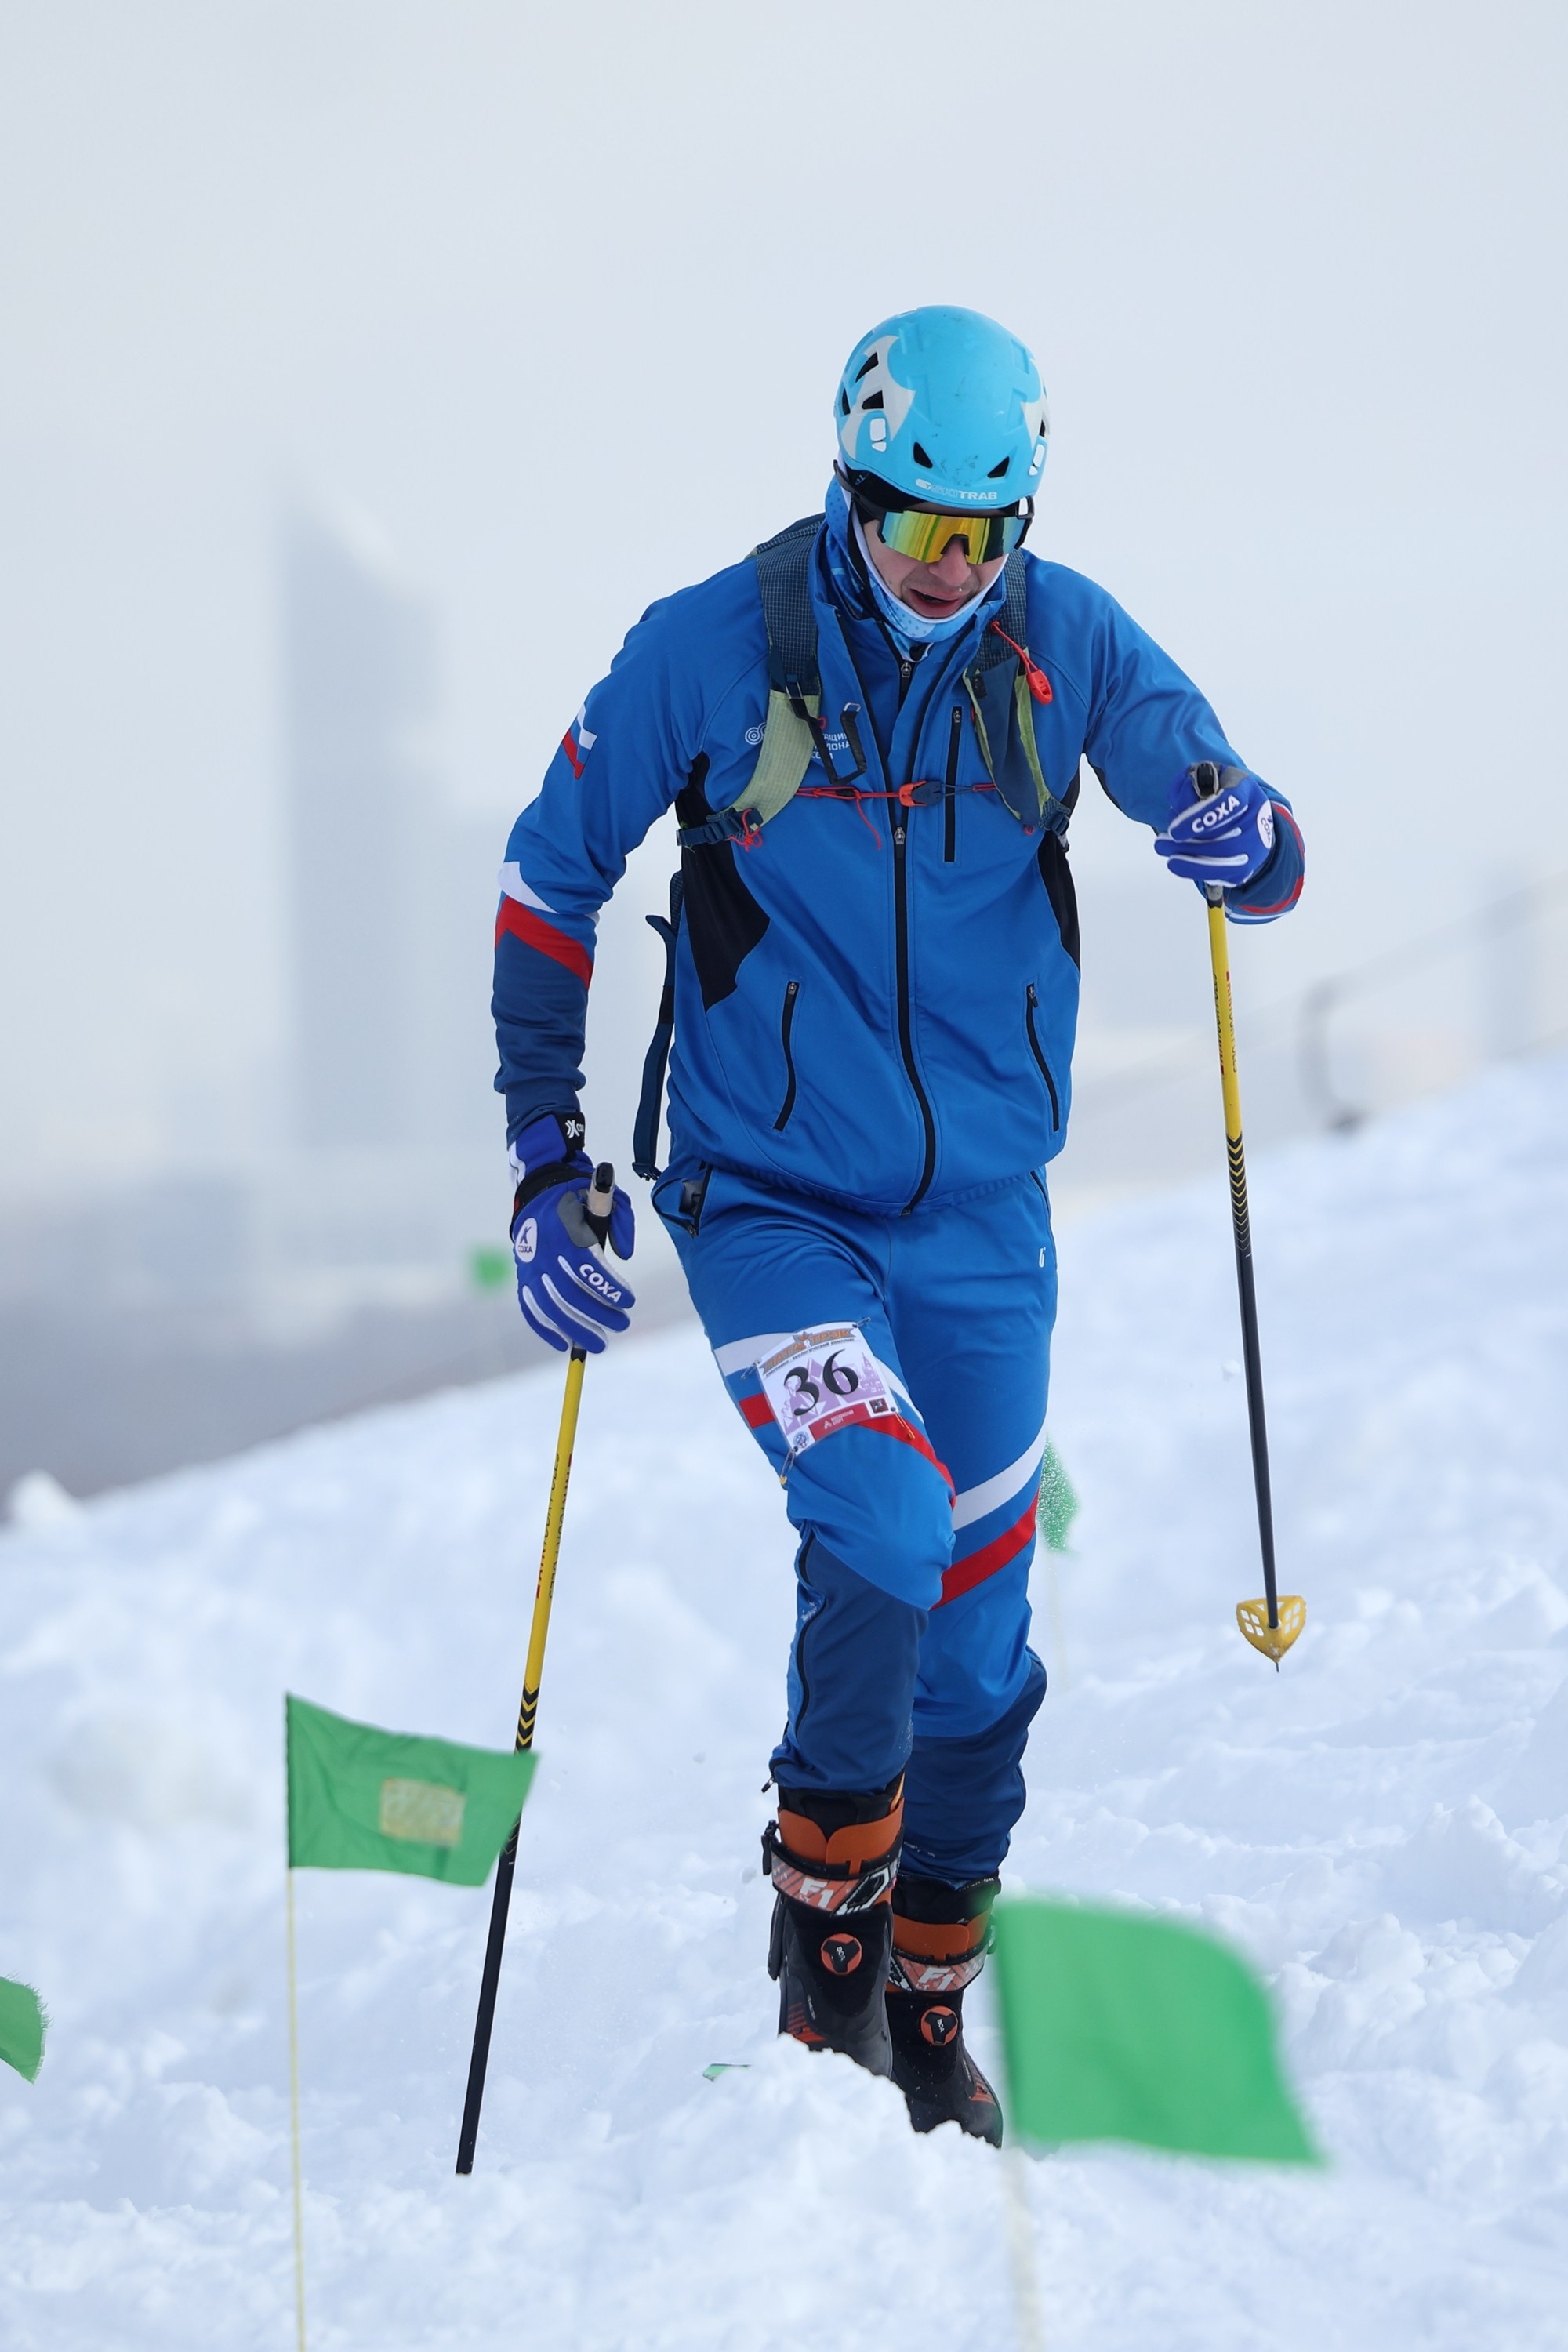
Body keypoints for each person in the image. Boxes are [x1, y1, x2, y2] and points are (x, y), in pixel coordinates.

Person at [492, 305, 1304, 2144]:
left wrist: (1244, 840)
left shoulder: (1057, 638)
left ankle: (930, 1985)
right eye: (904, 529)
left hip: (983, 1221)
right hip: (771, 1201)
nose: (940, 574)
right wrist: (547, 1159)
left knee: (976, 1639)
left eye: (978, 538)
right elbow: (550, 880)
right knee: (871, 1515)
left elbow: (1237, 815)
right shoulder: (709, 648)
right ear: (842, 484)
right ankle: (826, 1945)